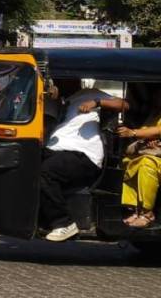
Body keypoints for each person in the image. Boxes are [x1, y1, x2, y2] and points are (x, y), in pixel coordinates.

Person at [39, 82, 128, 241]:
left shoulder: (89, 93)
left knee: (45, 173)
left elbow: (123, 104)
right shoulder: (62, 102)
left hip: (82, 153)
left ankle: (63, 223)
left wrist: (97, 102)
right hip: (55, 150)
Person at [119, 90, 161, 227]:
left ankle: (147, 212)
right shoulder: (153, 115)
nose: (156, 97)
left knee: (146, 164)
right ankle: (136, 209)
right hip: (152, 152)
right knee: (130, 163)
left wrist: (134, 132)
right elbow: (149, 133)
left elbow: (157, 131)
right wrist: (148, 140)